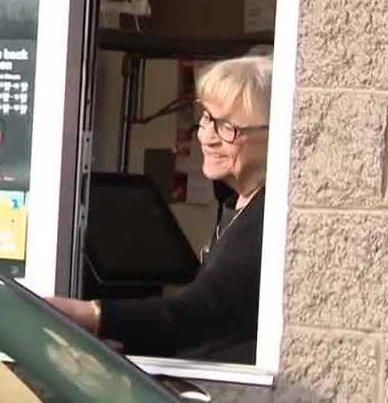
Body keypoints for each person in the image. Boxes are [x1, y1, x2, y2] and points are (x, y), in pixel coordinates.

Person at [47, 55, 272, 364]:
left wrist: (89, 314)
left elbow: (201, 314)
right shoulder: (245, 208)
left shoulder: (266, 221)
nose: (206, 137)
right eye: (206, 118)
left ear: (271, 137)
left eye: (227, 127)